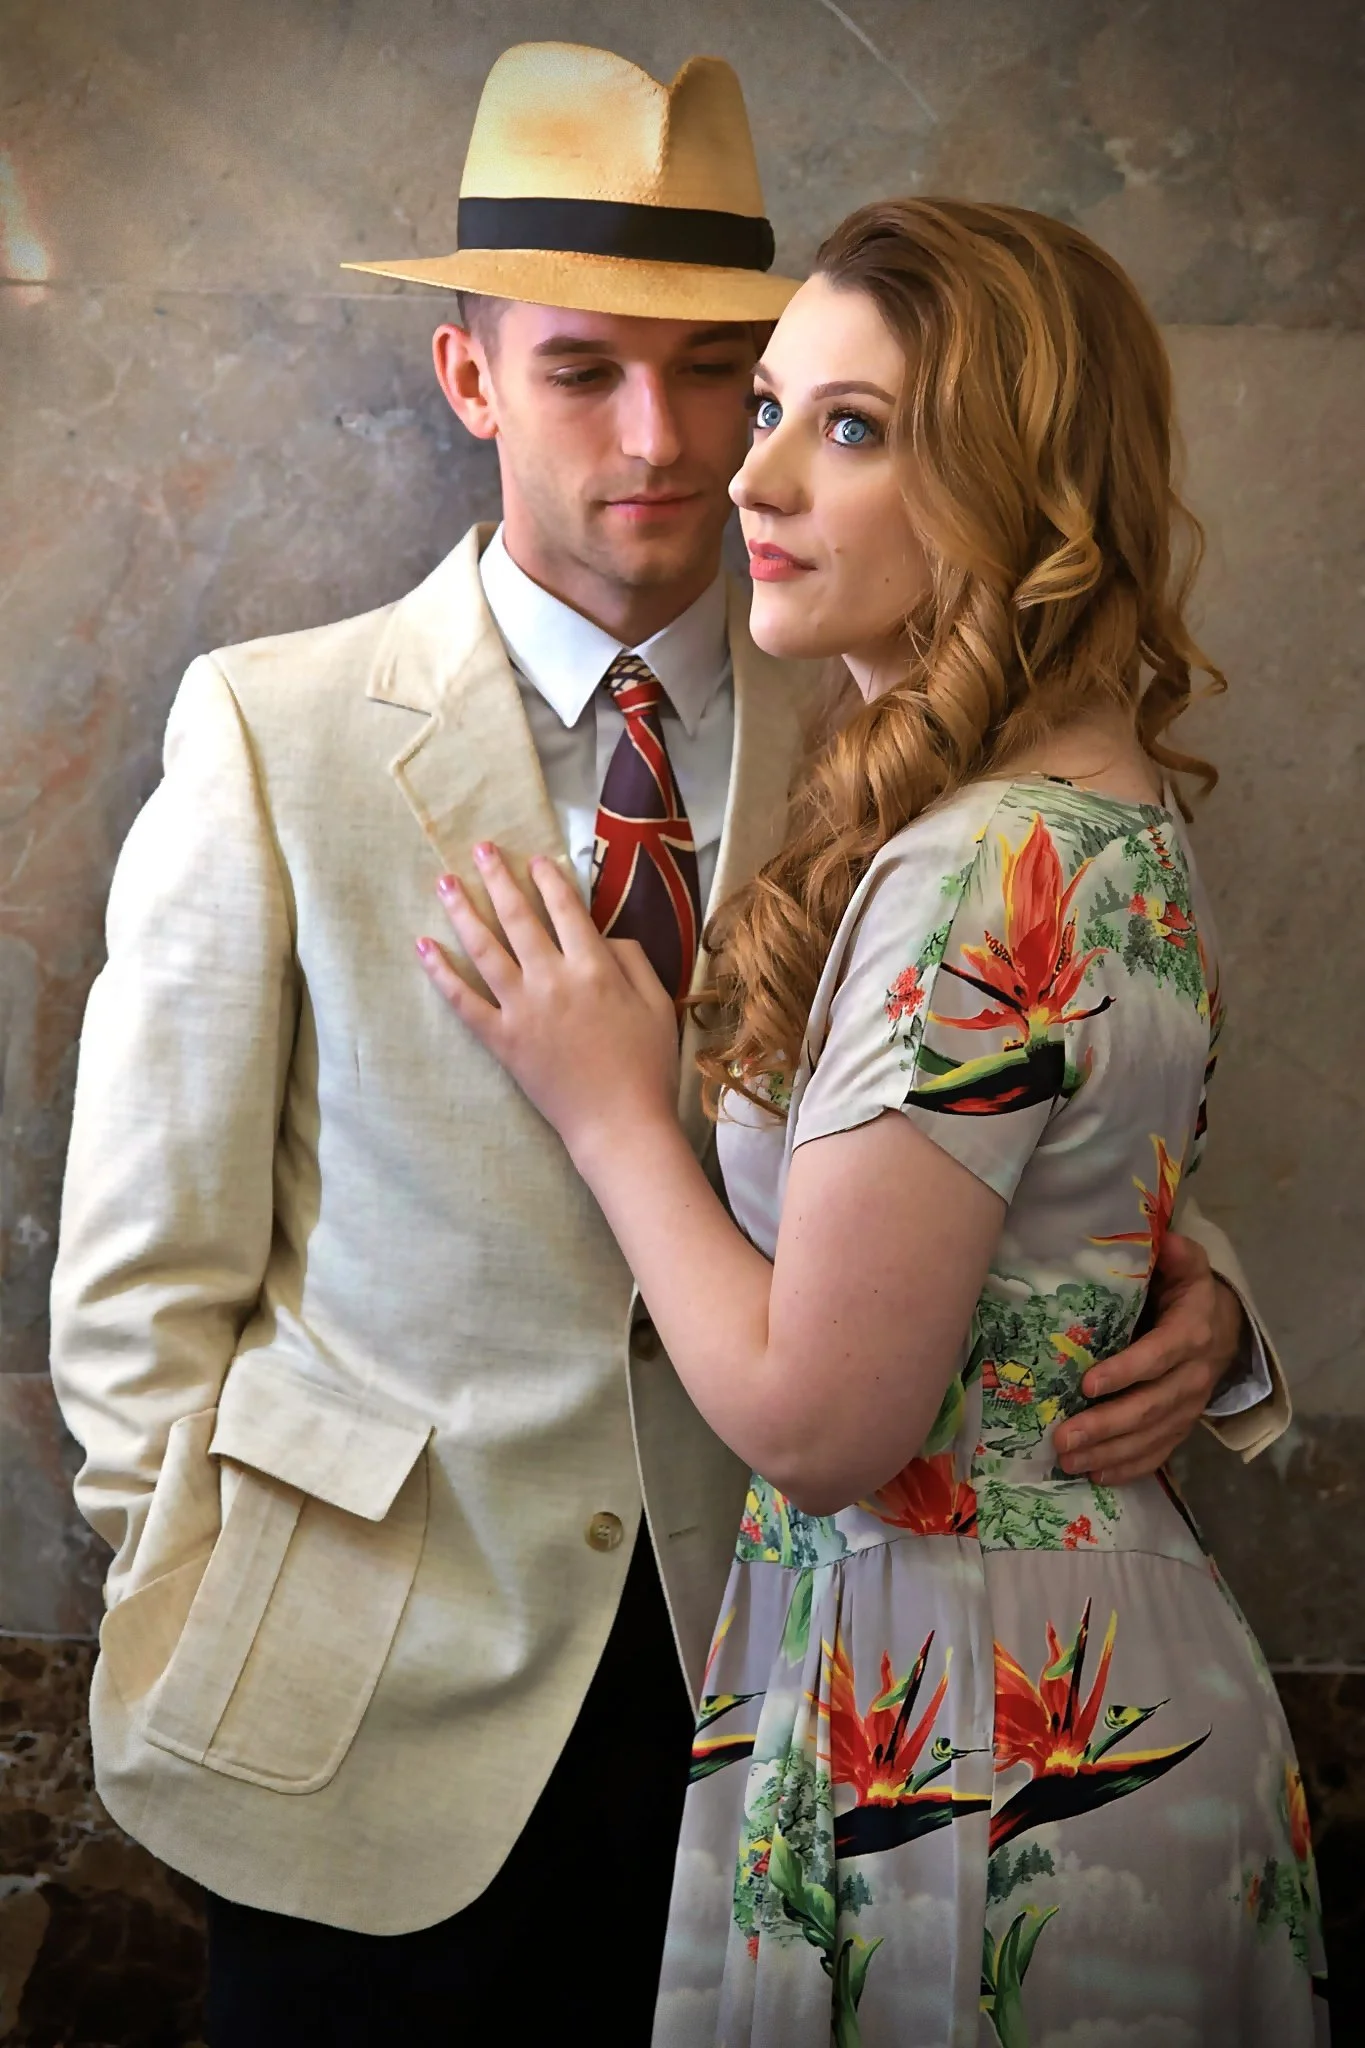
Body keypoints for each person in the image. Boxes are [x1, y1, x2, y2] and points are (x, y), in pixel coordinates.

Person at [48, 40, 1284, 2046]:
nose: (675, 437)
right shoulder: (272, 733)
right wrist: (201, 1615)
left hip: (810, 1705)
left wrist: (1201, 1297)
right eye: (582, 370)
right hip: (376, 1735)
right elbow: (137, 1294)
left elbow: (1019, 1110)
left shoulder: (905, 714)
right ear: (468, 380)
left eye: (725, 369)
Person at [418, 199, 1327, 2045]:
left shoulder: (983, 865)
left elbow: (829, 1425)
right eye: (773, 405)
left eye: (851, 427)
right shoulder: (1082, 810)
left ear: (1022, 486)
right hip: (1002, 1682)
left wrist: (614, 1109)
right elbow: (1049, 1216)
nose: (749, 475)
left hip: (989, 1748)